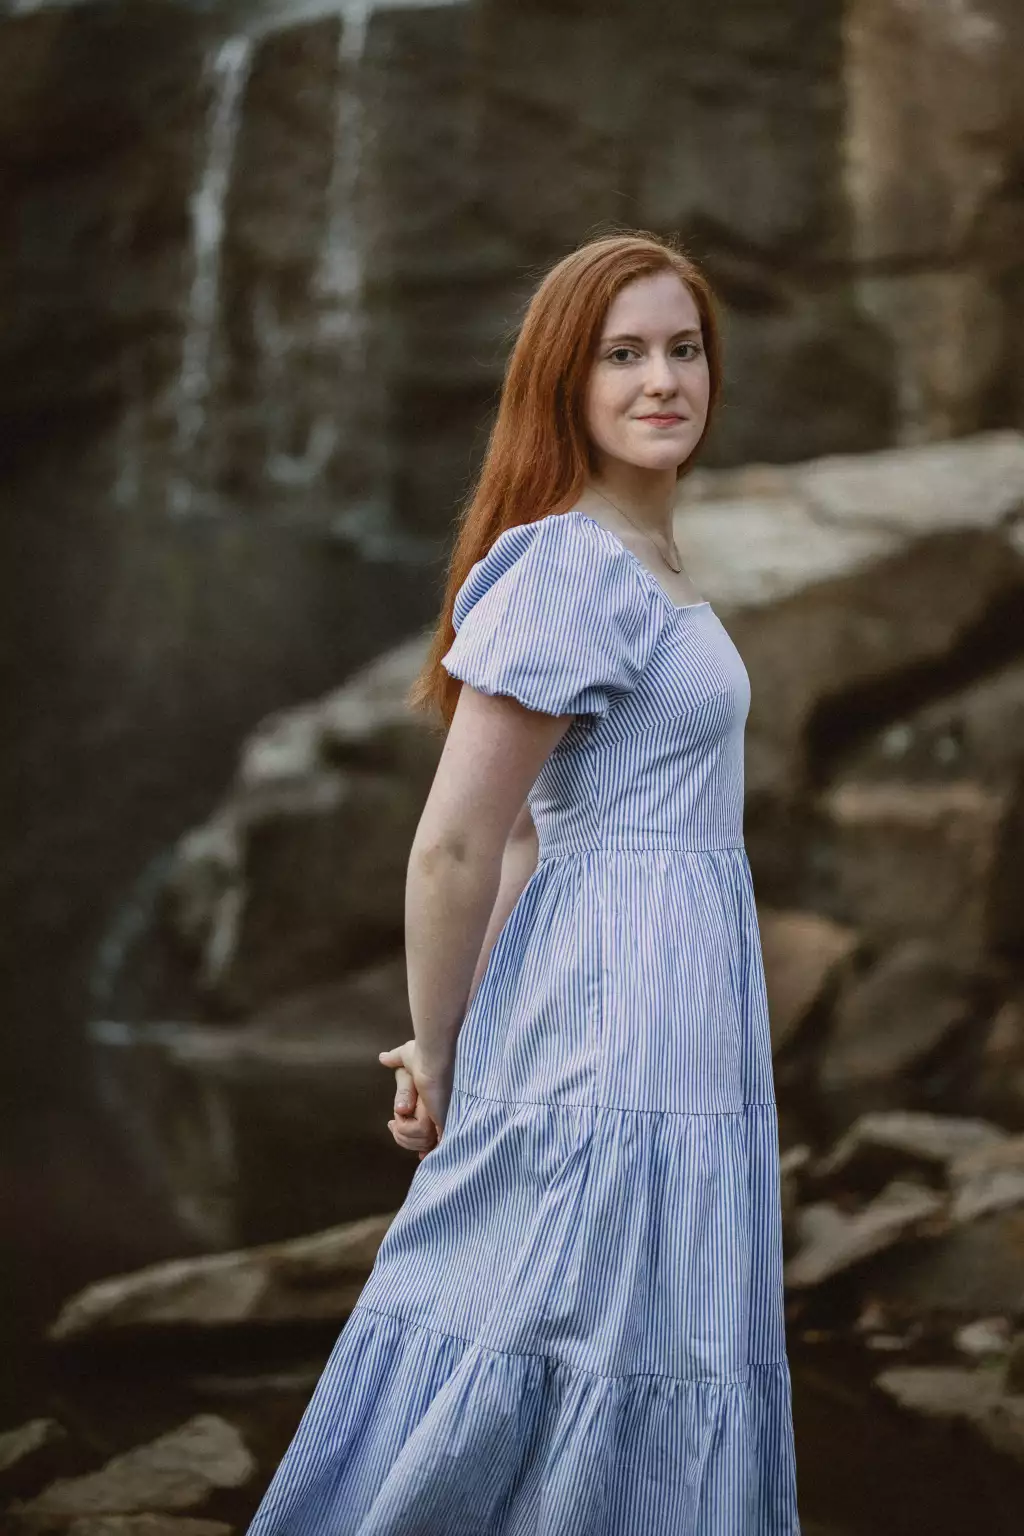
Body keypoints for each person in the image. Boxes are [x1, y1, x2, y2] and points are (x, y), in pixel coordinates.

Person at [245, 230, 801, 1534]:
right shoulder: (568, 565)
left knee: (648, 1329)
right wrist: (443, 1047)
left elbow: (533, 840)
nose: (661, 379)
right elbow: (463, 839)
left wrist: (473, 1022)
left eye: (682, 348)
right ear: (566, 382)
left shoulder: (655, 564)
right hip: (605, 1032)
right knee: (567, 1323)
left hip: (676, 1027)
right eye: (623, 354)